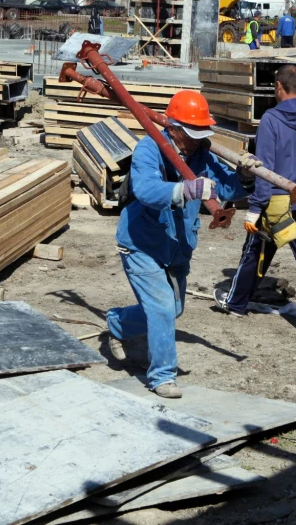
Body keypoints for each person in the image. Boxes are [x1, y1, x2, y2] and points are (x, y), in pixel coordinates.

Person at [106, 90, 261, 398]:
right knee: (162, 307)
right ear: (174, 128)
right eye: (192, 133)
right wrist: (186, 190)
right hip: (142, 243)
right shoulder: (150, 148)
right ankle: (162, 376)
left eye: (202, 133)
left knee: (174, 309)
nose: (196, 140)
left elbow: (226, 188)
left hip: (178, 243)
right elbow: (147, 190)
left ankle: (118, 323)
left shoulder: (201, 153)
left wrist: (244, 177)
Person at [215, 64, 296, 344]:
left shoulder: (270, 120)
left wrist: (255, 209)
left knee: (256, 253)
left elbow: (262, 168)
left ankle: (236, 303)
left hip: (276, 205)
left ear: (278, 87)